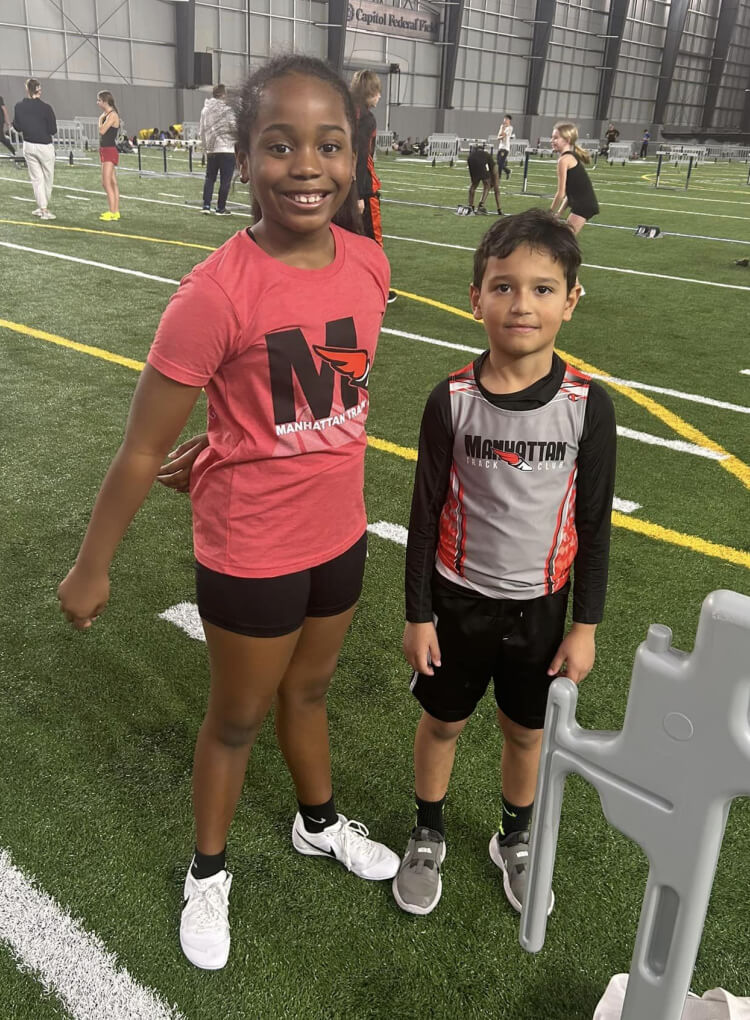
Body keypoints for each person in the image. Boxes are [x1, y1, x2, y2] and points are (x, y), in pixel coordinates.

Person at [57, 53, 398, 972]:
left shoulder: (369, 263)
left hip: (340, 534)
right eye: (279, 145)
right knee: (236, 719)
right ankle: (208, 871)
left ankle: (316, 823)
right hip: (251, 550)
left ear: (353, 152)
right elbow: (138, 447)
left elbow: (321, 391)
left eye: (329, 145)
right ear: (243, 157)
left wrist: (229, 441)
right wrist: (94, 563)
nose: (306, 166)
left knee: (312, 691)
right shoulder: (214, 293)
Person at [390, 208, 616, 917]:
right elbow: (424, 515)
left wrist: (585, 625)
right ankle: (428, 833)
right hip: (458, 602)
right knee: (444, 724)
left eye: (544, 289)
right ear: (475, 296)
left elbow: (594, 522)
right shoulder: (451, 400)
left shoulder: (588, 405)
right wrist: (418, 614)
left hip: (542, 609)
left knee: (526, 731)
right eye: (504, 287)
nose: (523, 304)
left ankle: (512, 839)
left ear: (572, 301)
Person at [351, 69, 397, 304]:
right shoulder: (365, 118)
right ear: (370, 92)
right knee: (373, 241)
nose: (380, 97)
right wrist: (358, 193)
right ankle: (378, 288)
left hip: (347, 185)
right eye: (377, 92)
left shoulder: (348, 113)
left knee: (350, 239)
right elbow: (359, 157)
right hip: (364, 189)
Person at [549, 120, 599, 294]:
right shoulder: (570, 157)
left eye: (556, 138)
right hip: (581, 204)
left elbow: (560, 193)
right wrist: (558, 215)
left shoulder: (564, 160)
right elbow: (569, 194)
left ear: (567, 139)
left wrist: (549, 212)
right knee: (564, 244)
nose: (552, 140)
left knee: (564, 245)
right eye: (552, 137)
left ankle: (575, 286)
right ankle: (575, 285)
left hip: (584, 205)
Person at [13, 78, 57, 220]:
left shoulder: (19, 106)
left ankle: (42, 208)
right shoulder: (47, 108)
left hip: (28, 145)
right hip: (44, 146)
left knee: (36, 179)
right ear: (39, 90)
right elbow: (52, 130)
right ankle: (44, 208)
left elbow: (17, 127)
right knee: (47, 178)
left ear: (27, 89)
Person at [199, 83, 236, 215]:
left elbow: (201, 131)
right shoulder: (227, 110)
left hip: (212, 149)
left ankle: (206, 205)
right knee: (225, 181)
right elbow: (234, 127)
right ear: (223, 94)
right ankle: (220, 208)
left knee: (210, 178)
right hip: (227, 149)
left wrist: (205, 148)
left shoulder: (205, 110)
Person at [97, 91, 120, 221]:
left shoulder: (112, 115)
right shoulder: (108, 114)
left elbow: (102, 130)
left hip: (109, 151)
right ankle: (115, 211)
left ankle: (112, 212)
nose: (97, 103)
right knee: (112, 182)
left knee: (106, 183)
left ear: (105, 101)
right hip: (106, 150)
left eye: (99, 100)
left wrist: (100, 120)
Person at [465, 145, 502, 215]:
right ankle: (481, 206)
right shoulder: (493, 165)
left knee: (474, 184)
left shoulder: (482, 155)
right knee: (486, 185)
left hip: (470, 159)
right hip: (480, 162)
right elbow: (496, 190)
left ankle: (470, 206)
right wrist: (499, 209)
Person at [496, 114, 513, 180]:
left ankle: (498, 178)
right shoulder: (502, 126)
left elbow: (503, 135)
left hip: (505, 148)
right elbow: (498, 136)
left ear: (509, 120)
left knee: (500, 163)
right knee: (498, 163)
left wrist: (502, 131)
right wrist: (502, 133)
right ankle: (508, 171)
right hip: (500, 147)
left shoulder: (510, 128)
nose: (504, 120)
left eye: (506, 119)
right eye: (504, 119)